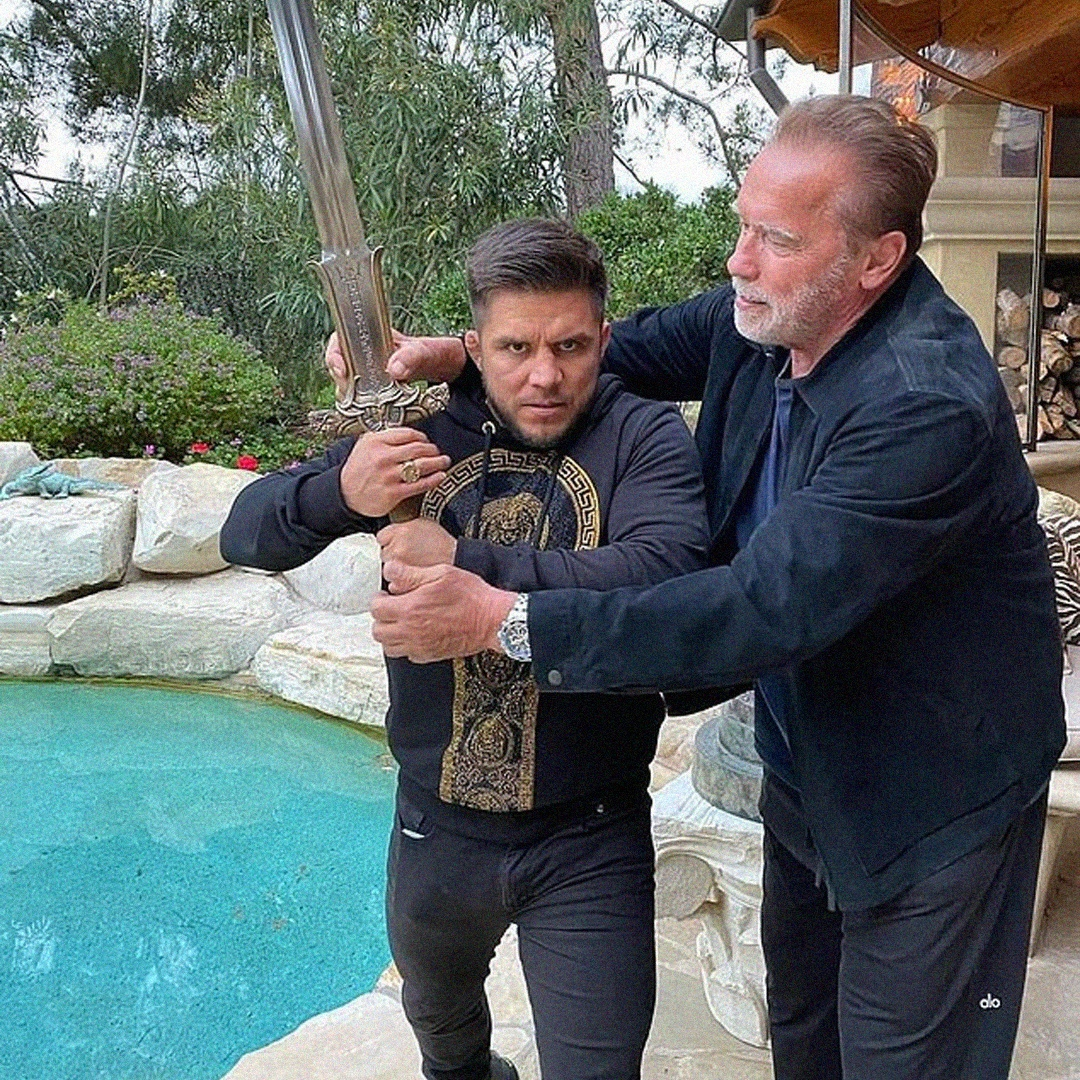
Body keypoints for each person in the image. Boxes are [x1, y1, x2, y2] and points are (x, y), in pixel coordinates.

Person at [369, 96, 1067, 1080]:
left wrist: (502, 617)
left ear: (877, 259)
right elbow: (624, 347)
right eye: (745, 225)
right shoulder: (772, 313)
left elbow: (760, 607)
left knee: (911, 1058)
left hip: (936, 792)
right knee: (807, 1035)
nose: (739, 260)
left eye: (776, 239)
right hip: (810, 759)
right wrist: (465, 355)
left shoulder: (923, 405)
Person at [219, 218, 710, 1080]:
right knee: (446, 1046)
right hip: (435, 826)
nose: (545, 375)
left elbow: (665, 578)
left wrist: (469, 565)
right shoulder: (424, 430)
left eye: (570, 346)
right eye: (516, 347)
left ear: (604, 339)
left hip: (589, 832)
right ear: (475, 348)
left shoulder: (642, 436)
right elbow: (245, 534)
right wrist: (342, 492)